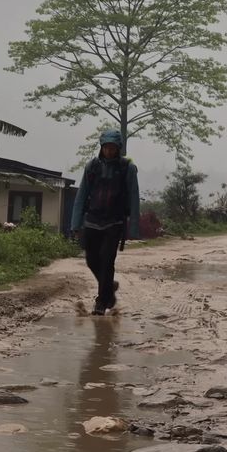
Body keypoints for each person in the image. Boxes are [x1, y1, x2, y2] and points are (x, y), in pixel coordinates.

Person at [70, 129, 141, 315]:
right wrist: (75, 225)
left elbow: (134, 197)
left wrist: (133, 228)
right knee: (91, 260)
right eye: (106, 147)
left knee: (107, 260)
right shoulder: (92, 167)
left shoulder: (127, 168)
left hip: (114, 222)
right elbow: (81, 195)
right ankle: (109, 288)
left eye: (113, 148)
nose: (109, 151)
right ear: (101, 147)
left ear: (118, 148)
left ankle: (101, 303)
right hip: (92, 221)